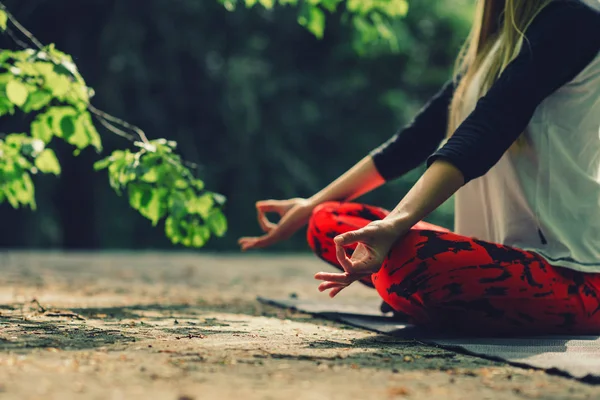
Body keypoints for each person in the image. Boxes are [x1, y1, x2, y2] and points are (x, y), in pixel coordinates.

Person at [239, 0, 600, 335]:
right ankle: (444, 303)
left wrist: (397, 223)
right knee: (326, 221)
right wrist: (310, 204)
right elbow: (414, 140)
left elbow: (489, 126)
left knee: (408, 263)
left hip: (570, 276)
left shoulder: (576, 19)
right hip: (496, 261)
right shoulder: (497, 43)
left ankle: (434, 301)